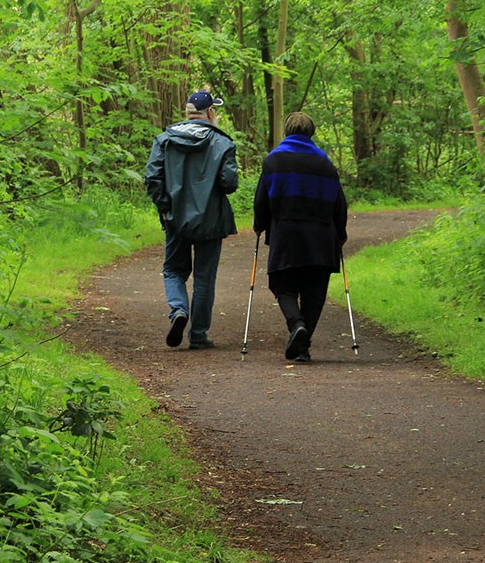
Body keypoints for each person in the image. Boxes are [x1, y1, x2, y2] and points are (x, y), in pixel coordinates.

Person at [144, 89, 239, 349]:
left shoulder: (165, 139)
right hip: (210, 220)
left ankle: (178, 311)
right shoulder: (222, 143)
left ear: (188, 113)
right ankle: (197, 335)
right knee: (204, 278)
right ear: (210, 113)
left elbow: (152, 178)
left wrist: (166, 207)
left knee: (173, 270)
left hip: (175, 220)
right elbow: (229, 183)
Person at [252, 112, 348, 362]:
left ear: (286, 131)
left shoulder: (273, 161)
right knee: (314, 293)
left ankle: (297, 327)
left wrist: (259, 225)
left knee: (282, 284)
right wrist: (341, 233)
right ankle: (303, 346)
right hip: (322, 238)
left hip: (286, 236)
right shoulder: (326, 164)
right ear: (311, 133)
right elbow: (340, 204)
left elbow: (261, 200)